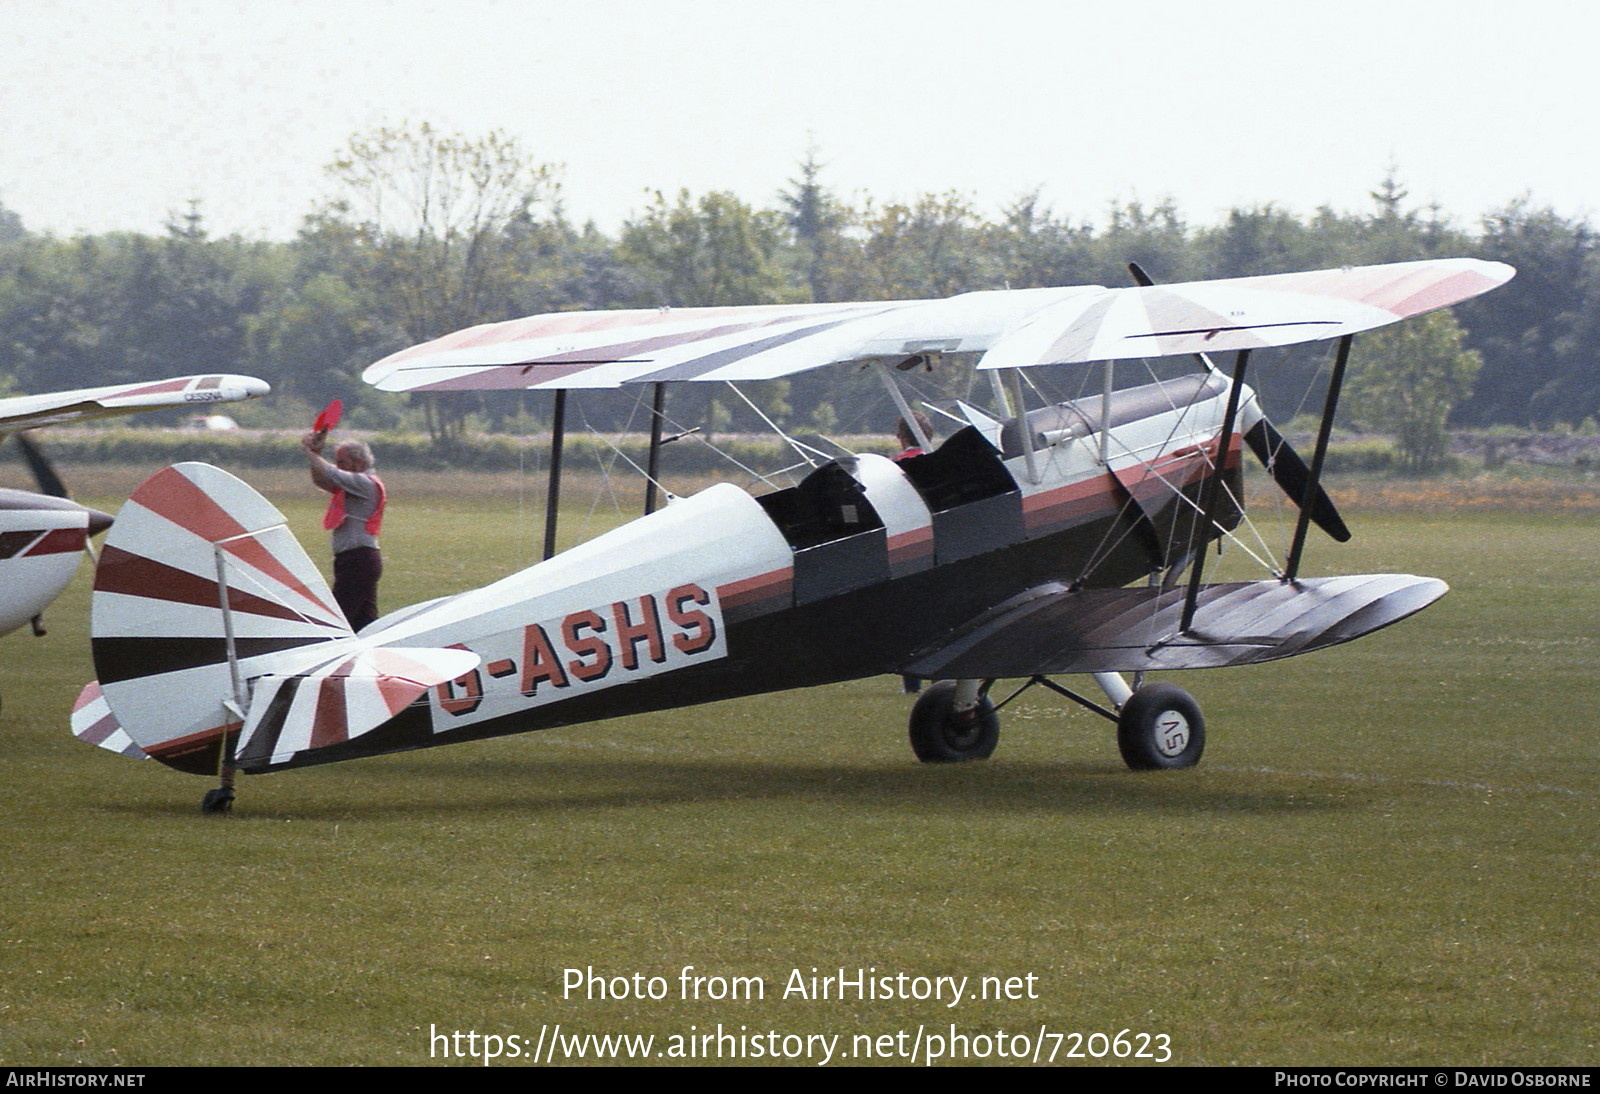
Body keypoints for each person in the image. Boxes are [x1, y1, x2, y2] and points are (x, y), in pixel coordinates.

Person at [303, 431, 386, 632]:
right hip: (356, 561)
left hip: (357, 561)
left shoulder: (363, 483)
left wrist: (311, 452)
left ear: (357, 464)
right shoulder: (352, 485)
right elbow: (321, 480)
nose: (338, 466)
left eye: (342, 462)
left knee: (336, 622)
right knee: (364, 625)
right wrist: (315, 455)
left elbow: (330, 473)